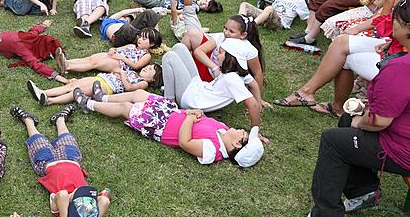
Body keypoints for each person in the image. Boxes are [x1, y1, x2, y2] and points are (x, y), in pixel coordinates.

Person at [276, 0, 410, 112]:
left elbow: (386, 26)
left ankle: (333, 106)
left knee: (346, 57)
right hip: (394, 47)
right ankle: (308, 93)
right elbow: (388, 24)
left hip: (401, 61)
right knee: (341, 42)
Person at [306, 52, 410, 217]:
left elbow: (378, 122)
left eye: (395, 22)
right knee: (348, 117)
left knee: (333, 141)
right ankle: (362, 190)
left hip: (403, 149)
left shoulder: (402, 67)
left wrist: (360, 121)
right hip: (402, 138)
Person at [75, 87, 265, 167]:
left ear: (238, 144)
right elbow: (205, 119)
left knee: (127, 108)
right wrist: (197, 112)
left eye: (243, 133)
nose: (240, 129)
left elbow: (185, 142)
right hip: (171, 113)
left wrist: (190, 118)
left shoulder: (212, 151)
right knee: (140, 94)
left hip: (161, 126)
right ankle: (104, 98)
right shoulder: (223, 129)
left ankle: (89, 105)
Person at [9, 105, 112, 217]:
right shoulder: (88, 209)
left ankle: (28, 120)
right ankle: (60, 119)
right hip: (71, 160)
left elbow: (62, 195)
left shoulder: (59, 205)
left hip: (47, 162)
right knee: (67, 138)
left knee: (38, 140)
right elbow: (105, 201)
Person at [156, 41, 268, 131]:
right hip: (199, 87)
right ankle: (170, 91)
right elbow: (254, 85)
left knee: (169, 57)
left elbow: (252, 105)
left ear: (231, 59)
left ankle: (169, 103)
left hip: (191, 99)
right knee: (179, 47)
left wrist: (255, 132)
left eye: (220, 53)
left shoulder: (232, 80)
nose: (216, 54)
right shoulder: (239, 72)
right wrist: (260, 104)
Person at [27, 61, 162, 106]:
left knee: (75, 92)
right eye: (148, 66)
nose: (146, 68)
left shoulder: (143, 83)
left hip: (107, 87)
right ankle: (43, 92)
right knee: (71, 86)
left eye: (150, 70)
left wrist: (121, 74)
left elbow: (130, 87)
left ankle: (50, 101)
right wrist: (119, 72)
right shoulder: (132, 73)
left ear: (153, 79)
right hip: (101, 78)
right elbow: (115, 70)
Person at [0, 20, 68, 84]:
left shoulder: (30, 37)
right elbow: (36, 65)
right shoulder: (22, 47)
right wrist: (60, 78)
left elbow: (35, 31)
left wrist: (43, 25)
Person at [55, 28, 160, 76]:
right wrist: (112, 50)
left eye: (144, 39)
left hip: (119, 64)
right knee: (89, 58)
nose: (140, 40)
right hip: (113, 56)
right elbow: (117, 49)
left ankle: (67, 67)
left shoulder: (146, 55)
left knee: (94, 64)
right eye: (140, 37)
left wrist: (121, 57)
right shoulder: (132, 46)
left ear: (152, 44)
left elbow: (136, 66)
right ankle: (66, 61)